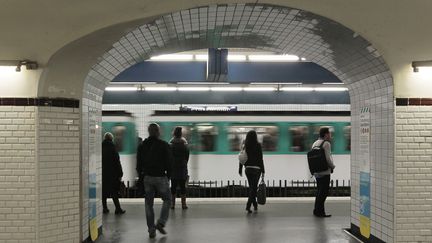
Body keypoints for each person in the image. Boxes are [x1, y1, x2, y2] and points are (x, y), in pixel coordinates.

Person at [137, 123, 173, 238]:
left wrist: (141, 177)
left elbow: (138, 165)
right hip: (161, 177)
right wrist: (168, 176)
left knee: (148, 204)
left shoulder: (142, 145)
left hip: (147, 177)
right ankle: (161, 222)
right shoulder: (164, 145)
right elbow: (169, 163)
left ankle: (151, 230)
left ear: (148, 132)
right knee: (167, 199)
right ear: (158, 132)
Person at [311, 127, 336, 218]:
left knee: (319, 192)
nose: (330, 135)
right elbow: (328, 158)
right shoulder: (326, 144)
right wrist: (333, 166)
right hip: (325, 172)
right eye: (329, 134)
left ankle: (316, 210)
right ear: (325, 134)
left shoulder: (315, 143)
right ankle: (320, 212)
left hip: (317, 171)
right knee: (323, 193)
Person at [238, 130, 265, 213]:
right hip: (256, 170)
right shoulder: (258, 145)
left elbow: (241, 157)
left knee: (252, 188)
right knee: (253, 188)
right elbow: (261, 159)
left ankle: (255, 205)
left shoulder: (245, 145)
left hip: (248, 169)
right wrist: (263, 170)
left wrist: (240, 169)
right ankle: (248, 205)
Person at [102, 132, 126, 215]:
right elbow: (117, 162)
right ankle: (118, 209)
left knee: (104, 192)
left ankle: (105, 208)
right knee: (114, 192)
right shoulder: (113, 147)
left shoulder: (100, 147)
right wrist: (120, 173)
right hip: (112, 174)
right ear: (111, 139)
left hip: (103, 173)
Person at [169, 127, 190, 210]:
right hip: (182, 168)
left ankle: (172, 204)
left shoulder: (171, 144)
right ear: (181, 134)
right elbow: (187, 156)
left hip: (173, 168)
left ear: (174, 133)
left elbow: (169, 157)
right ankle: (183, 204)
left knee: (173, 186)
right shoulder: (184, 144)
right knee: (182, 186)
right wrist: (184, 163)